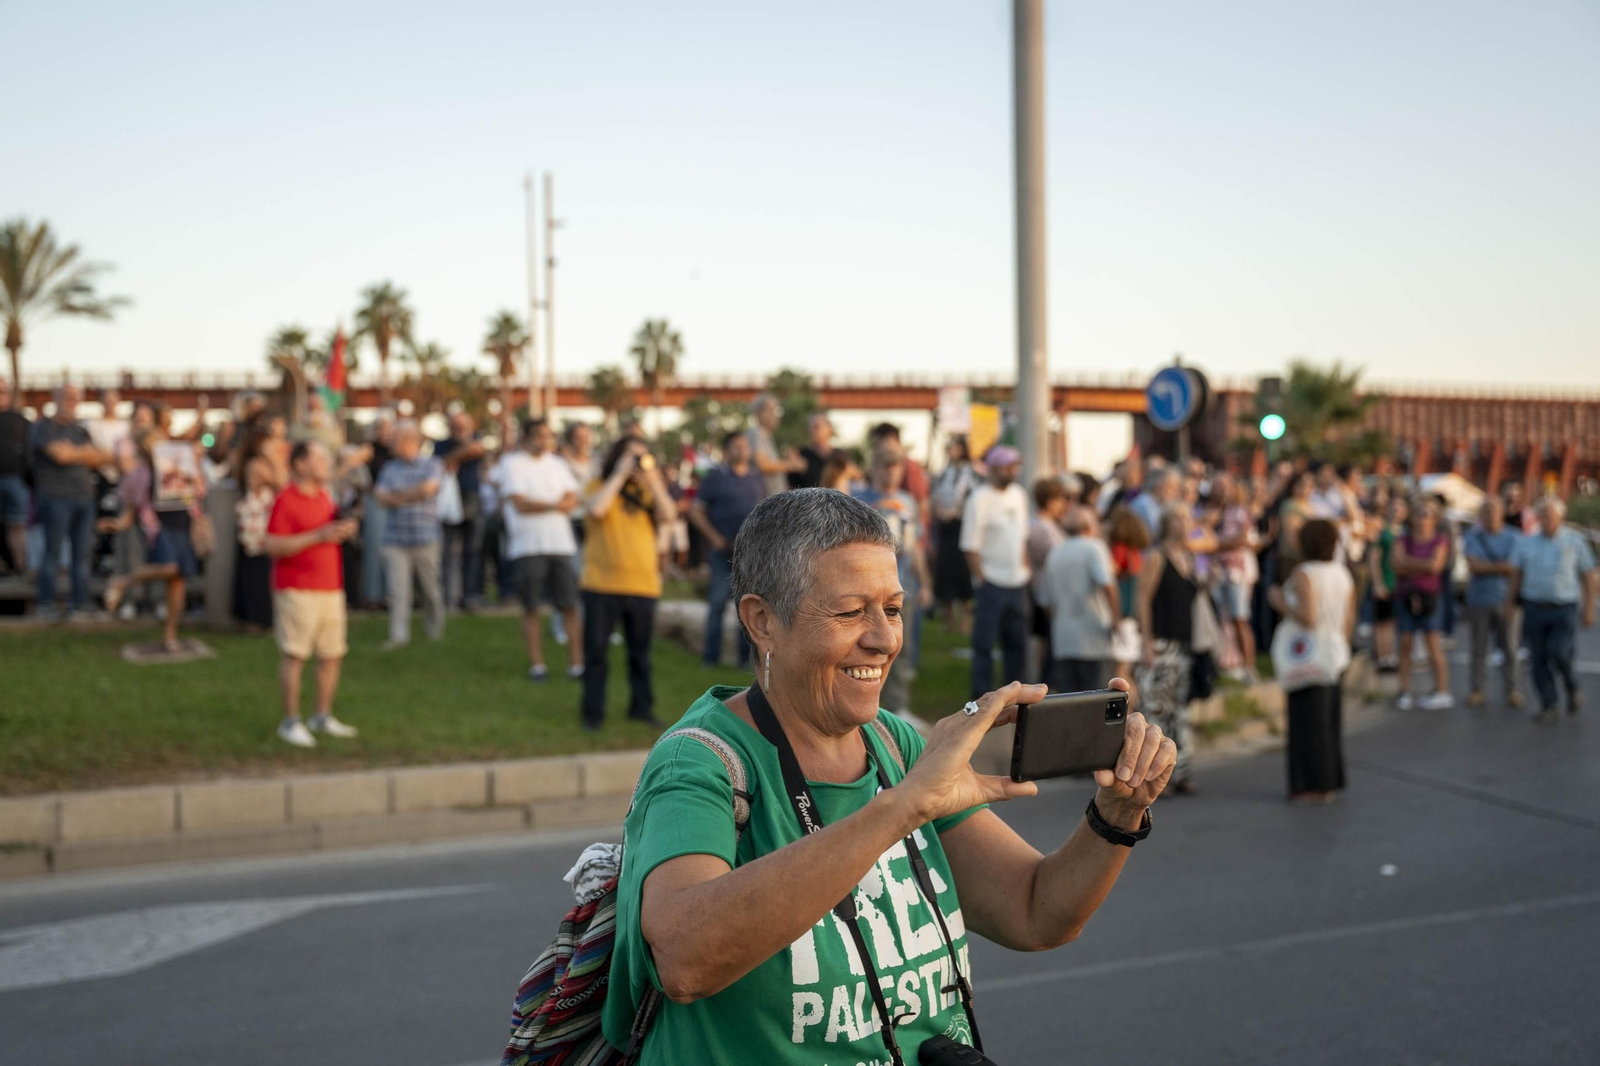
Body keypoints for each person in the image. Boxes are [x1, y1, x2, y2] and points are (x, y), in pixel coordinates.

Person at [602, 488, 1175, 1064]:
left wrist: (1117, 814)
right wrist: (902, 808)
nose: (884, 639)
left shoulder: (893, 744)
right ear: (763, 621)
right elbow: (684, 960)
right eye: (851, 612)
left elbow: (1034, 911)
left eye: (894, 609)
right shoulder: (699, 760)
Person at [263, 440, 361, 747]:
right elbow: (272, 545)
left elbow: (328, 532)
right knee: (295, 655)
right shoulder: (286, 499)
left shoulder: (325, 497)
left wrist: (345, 530)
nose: (326, 463)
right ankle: (291, 721)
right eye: (319, 458)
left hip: (330, 586)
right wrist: (318, 535)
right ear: (300, 464)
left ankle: (322, 715)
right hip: (296, 588)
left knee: (332, 654)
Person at [580, 437, 678, 730]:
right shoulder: (598, 485)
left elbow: (669, 515)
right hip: (601, 583)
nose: (637, 462)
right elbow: (597, 509)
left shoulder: (648, 490)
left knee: (640, 654)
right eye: (631, 456)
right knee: (596, 653)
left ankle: (641, 708)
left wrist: (653, 480)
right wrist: (620, 474)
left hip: (642, 584)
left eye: (642, 456)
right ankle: (592, 713)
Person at [1269, 519, 1355, 803]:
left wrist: (1279, 602)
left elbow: (1308, 616)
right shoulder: (1342, 573)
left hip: (1308, 655)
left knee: (1306, 723)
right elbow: (1349, 617)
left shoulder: (1305, 573)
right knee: (1329, 722)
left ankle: (1310, 785)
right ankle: (1329, 781)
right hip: (1334, 651)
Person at [100, 428, 205, 651]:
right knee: (169, 567)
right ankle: (123, 581)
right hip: (160, 528)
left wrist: (193, 468)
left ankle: (170, 635)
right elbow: (130, 513)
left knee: (177, 583)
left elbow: (198, 492)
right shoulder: (140, 475)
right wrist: (116, 524)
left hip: (183, 524)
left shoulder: (180, 464)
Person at [497, 418, 584, 680]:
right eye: (538, 435)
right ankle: (537, 665)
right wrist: (555, 505)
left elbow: (572, 498)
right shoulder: (511, 463)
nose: (544, 441)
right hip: (527, 546)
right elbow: (519, 503)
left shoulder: (558, 464)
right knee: (531, 606)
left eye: (548, 435)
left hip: (561, 544)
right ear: (525, 437)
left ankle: (576, 665)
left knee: (569, 604)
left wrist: (546, 504)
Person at [853, 442, 933, 715]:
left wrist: (925, 583)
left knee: (900, 645)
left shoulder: (908, 502)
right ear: (874, 468)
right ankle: (864, 706)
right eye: (886, 465)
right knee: (865, 648)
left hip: (902, 584)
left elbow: (916, 545)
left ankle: (898, 707)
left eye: (896, 466)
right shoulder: (859, 499)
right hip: (866, 588)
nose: (891, 472)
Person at [1508, 496, 1597, 723]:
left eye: (1550, 515)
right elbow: (1516, 575)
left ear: (1560, 516)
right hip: (1534, 606)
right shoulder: (1526, 543)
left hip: (1564, 607)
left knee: (1559, 652)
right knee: (1537, 657)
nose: (1546, 519)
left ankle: (1571, 686)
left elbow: (1588, 576)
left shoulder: (1575, 541)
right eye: (1543, 515)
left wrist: (1589, 608)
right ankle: (1549, 704)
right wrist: (1509, 605)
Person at [30, 385, 113, 618]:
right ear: (55, 398)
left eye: (76, 398)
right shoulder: (43, 427)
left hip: (84, 498)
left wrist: (75, 452)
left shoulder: (80, 429)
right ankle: (46, 603)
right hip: (55, 497)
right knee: (53, 553)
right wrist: (84, 453)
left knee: (82, 555)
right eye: (67, 397)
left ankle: (81, 603)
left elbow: (103, 457)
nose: (72, 401)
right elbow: (61, 455)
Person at [687, 431, 766, 668]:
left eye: (745, 446)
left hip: (749, 554)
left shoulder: (756, 477)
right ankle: (710, 657)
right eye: (736, 446)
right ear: (727, 450)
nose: (742, 450)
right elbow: (695, 510)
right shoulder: (715, 476)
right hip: (722, 551)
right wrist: (714, 537)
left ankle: (745, 660)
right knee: (718, 603)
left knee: (747, 606)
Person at [1137, 507, 1199, 794]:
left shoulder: (1189, 556)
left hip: (1183, 643)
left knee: (1180, 711)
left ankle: (1180, 771)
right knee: (1157, 710)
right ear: (1166, 523)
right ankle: (1154, 776)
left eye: (1187, 517)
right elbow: (1143, 598)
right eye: (1178, 517)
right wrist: (1147, 642)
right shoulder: (1156, 556)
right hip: (1161, 643)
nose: (1184, 522)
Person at [961, 445, 1030, 699]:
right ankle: (982, 700)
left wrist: (1025, 567)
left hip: (1018, 582)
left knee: (1017, 646)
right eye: (1008, 467)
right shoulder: (979, 498)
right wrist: (981, 578)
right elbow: (970, 544)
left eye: (1015, 466)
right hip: (991, 582)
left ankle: (1016, 698)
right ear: (993, 469)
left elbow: (1022, 536)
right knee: (984, 645)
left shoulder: (1019, 495)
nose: (1013, 471)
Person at [373, 420, 446, 649]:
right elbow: (381, 497)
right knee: (397, 591)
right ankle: (398, 636)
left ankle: (434, 630)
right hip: (395, 540)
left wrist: (398, 497)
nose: (390, 444)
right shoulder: (389, 468)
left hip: (425, 538)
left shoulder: (432, 464)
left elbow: (429, 489)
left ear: (407, 441)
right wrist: (413, 495)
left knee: (430, 589)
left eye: (394, 440)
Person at [1040, 505, 1116, 694]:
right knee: (1094, 697)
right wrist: (1116, 621)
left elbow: (1046, 601)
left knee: (1067, 698)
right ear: (1090, 527)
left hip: (1063, 638)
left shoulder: (1055, 552)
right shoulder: (1094, 548)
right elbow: (1108, 586)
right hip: (1093, 636)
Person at [1462, 497, 1523, 708]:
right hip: (1479, 600)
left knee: (1510, 648)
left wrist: (1487, 566)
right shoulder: (1473, 536)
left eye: (1494, 511)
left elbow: (1514, 568)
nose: (1490, 516)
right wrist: (1501, 567)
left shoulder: (1514, 536)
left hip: (1507, 600)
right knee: (1478, 648)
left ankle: (1512, 690)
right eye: (1486, 511)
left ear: (1502, 513)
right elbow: (1475, 566)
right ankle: (1477, 690)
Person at [1393, 498, 1453, 710]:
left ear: (1434, 519)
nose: (1422, 519)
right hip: (1406, 596)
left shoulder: (1439, 541)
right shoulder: (1403, 539)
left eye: (1427, 514)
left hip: (1430, 597)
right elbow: (1396, 564)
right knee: (1405, 643)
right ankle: (1405, 690)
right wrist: (1423, 565)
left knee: (1433, 643)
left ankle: (1441, 690)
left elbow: (1435, 566)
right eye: (1419, 514)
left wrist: (1409, 564)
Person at [232, 421, 283, 631]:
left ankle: (258, 616)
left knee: (259, 568)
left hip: (260, 519)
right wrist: (274, 459)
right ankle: (257, 617)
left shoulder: (253, 462)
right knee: (257, 570)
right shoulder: (256, 465)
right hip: (257, 522)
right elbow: (282, 482)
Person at [434, 411, 487, 611]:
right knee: (447, 551)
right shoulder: (441, 445)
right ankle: (448, 596)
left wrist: (457, 455)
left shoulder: (477, 438)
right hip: (448, 502)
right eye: (456, 426)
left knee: (473, 549)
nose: (460, 430)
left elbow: (476, 450)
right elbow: (440, 463)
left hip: (471, 499)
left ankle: (470, 595)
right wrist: (462, 452)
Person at [1212, 475, 1260, 683]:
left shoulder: (1240, 512)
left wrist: (1216, 544)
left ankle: (1249, 667)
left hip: (1237, 573)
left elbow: (1244, 539)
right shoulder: (1220, 512)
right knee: (1226, 619)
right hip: (1221, 572)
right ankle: (1234, 663)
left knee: (1240, 619)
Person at [929, 436, 979, 634]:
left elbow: (973, 497)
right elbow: (935, 495)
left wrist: (957, 512)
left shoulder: (969, 472)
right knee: (944, 574)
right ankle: (949, 621)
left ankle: (965, 622)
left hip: (961, 527)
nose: (951, 451)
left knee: (963, 575)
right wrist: (938, 512)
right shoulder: (944, 473)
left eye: (955, 448)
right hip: (945, 528)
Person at [1027, 478, 1071, 683]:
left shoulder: (1051, 526)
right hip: (1046, 592)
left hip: (1049, 591)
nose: (1064, 505)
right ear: (1050, 501)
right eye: (1061, 499)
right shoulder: (1040, 527)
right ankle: (1043, 683)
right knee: (1047, 642)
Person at [1368, 495, 1408, 673]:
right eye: (1394, 507)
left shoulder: (1406, 532)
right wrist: (1377, 583)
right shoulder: (1382, 533)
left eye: (1400, 507)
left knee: (1393, 622)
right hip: (1386, 581)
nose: (1396, 511)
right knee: (1382, 622)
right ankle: (1383, 657)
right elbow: (1374, 558)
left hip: (1401, 585)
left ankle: (1391, 654)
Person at [0, 377, 32, 575]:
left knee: (17, 525)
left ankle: (21, 568)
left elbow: (30, 452)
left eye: (3, 392)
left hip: (16, 480)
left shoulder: (21, 421)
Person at [746, 393, 805, 496]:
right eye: (771, 410)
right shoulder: (757, 434)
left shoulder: (766, 435)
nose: (775, 415)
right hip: (765, 499)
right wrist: (792, 464)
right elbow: (762, 465)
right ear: (758, 413)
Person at [788, 411, 833, 490]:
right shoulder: (801, 455)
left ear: (829, 429)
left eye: (816, 427)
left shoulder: (839, 456)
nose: (812, 431)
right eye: (810, 427)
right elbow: (790, 486)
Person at [1129, 466, 1177, 539]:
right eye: (1170, 487)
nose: (1173, 493)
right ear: (1157, 486)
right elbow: (1158, 532)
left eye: (1175, 489)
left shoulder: (1160, 504)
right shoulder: (1145, 503)